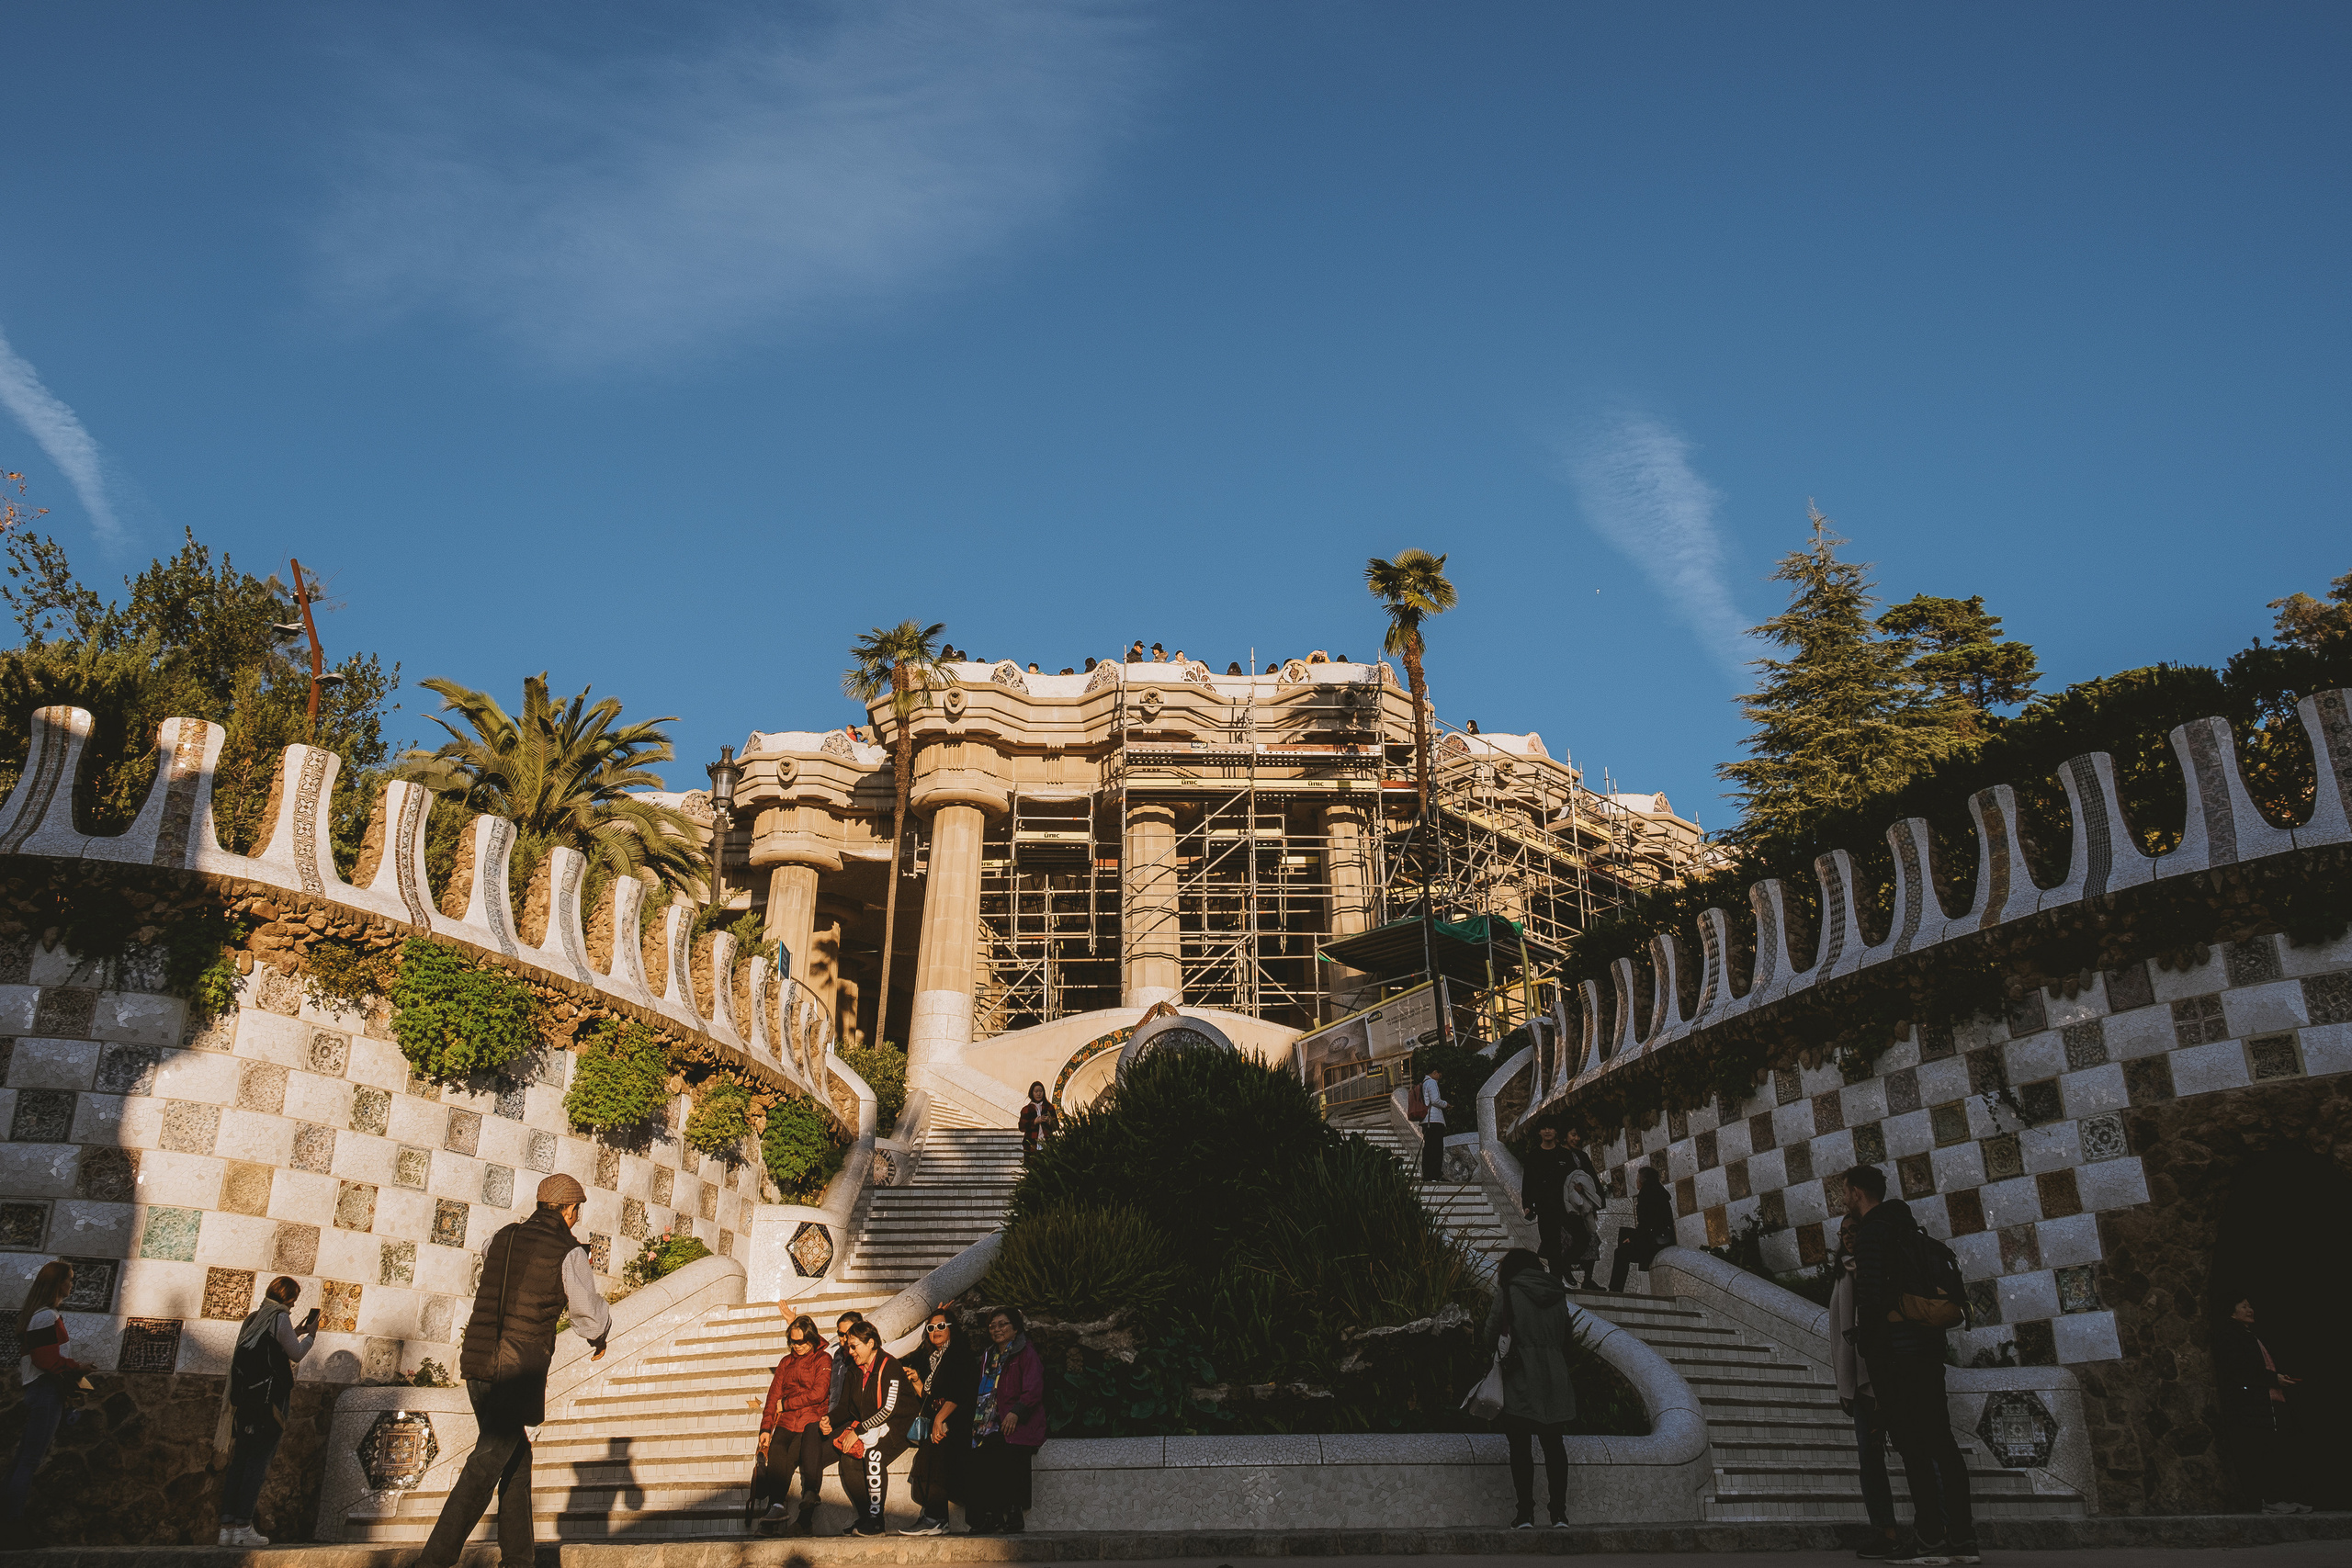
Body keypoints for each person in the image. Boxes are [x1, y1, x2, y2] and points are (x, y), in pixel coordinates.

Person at [417, 1174, 610, 1568]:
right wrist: (600, 1336)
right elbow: (587, 1314)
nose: (577, 1217)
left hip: (478, 1362)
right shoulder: (568, 1251)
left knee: (516, 1464)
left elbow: (490, 1259)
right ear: (570, 1210)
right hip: (517, 1370)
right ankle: (433, 1561)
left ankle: (519, 1560)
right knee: (486, 1464)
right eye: (577, 1211)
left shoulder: (501, 1237)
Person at [1844, 1164, 1976, 1565]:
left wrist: (1869, 1349)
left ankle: (1929, 1538)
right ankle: (1963, 1539)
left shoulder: (1872, 1233)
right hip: (1928, 1352)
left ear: (1857, 1193)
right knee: (1943, 1444)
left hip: (1896, 1357)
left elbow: (1870, 1299)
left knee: (1913, 1448)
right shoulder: (1908, 1227)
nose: (1844, 1198)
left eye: (1845, 1191)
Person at [213, 1274, 318, 1545]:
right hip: (269, 1404)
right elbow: (295, 1354)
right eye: (293, 1299)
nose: (293, 1305)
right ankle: (244, 1526)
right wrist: (311, 1336)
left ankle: (227, 1528)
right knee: (257, 1463)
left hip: (246, 1402)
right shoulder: (279, 1318)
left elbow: (270, 1346)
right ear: (288, 1297)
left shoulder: (255, 1318)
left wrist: (295, 1333)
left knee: (240, 1461)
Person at [1483, 1248, 1577, 1529]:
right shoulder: (1558, 1293)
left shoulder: (1509, 1291)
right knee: (1554, 1445)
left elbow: (1490, 1334)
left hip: (1520, 1376)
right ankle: (1559, 1514)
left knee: (1520, 1446)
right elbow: (1567, 1337)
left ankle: (1525, 1514)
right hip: (1555, 1376)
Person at [1828, 1219, 1899, 1560]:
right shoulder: (1843, 1273)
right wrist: (1845, 1383)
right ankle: (1886, 1531)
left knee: (1916, 1452)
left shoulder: (1874, 1269)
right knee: (1869, 1459)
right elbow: (1840, 1332)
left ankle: (1938, 1528)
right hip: (1858, 1381)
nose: (1848, 1237)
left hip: (1884, 1376)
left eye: (1853, 1230)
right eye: (1843, 1232)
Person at [6, 1260, 90, 1527]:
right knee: (29, 1461)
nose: (72, 1284)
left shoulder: (43, 1315)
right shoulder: (45, 1316)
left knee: (23, 1459)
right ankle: (11, 1524)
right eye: (69, 1279)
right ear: (58, 1283)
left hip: (42, 1390)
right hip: (45, 1391)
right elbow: (45, 1359)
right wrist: (77, 1368)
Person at [2216, 1297, 2311, 1514]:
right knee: (2260, 1452)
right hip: (2250, 1404)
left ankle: (2279, 1499)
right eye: (2244, 1306)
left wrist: (2277, 1378)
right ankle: (2267, 1501)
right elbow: (2240, 1369)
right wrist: (2272, 1379)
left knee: (2275, 1450)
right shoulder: (2231, 1336)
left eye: (2250, 1306)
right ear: (2232, 1312)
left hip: (2266, 1401)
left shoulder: (2248, 1335)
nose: (2250, 1310)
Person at [830, 1322, 918, 1536]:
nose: (850, 1351)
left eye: (854, 1346)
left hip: (900, 1426)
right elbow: (846, 1406)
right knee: (848, 1461)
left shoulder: (890, 1365)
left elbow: (889, 1409)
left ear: (870, 1343)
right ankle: (866, 1518)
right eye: (849, 1347)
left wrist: (858, 1431)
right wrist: (828, 1420)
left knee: (874, 1456)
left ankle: (877, 1522)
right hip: (873, 1427)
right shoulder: (855, 1369)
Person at [965, 1306, 1046, 1534]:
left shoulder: (1025, 1353)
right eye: (993, 1326)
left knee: (1008, 1452)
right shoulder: (988, 1355)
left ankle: (1013, 1513)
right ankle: (990, 1516)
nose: (997, 1329)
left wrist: (1016, 1412)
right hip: (988, 1422)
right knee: (979, 1457)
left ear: (1015, 1328)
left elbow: (1033, 1389)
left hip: (1018, 1421)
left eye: (1003, 1324)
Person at [900, 1307, 978, 1535]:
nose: (936, 1331)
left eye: (941, 1326)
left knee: (936, 1459)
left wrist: (940, 1420)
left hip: (956, 1421)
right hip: (940, 1418)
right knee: (926, 1461)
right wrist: (917, 1381)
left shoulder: (958, 1354)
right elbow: (931, 1396)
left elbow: (959, 1392)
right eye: (931, 1327)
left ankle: (936, 1517)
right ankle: (934, 1516)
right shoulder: (934, 1358)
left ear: (951, 1328)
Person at [755, 1314, 834, 1534]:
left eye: (801, 1341)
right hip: (786, 1421)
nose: (796, 1346)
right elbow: (773, 1397)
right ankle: (776, 1507)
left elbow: (819, 1393)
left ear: (811, 1338)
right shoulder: (785, 1362)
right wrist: (765, 1428)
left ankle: (803, 1517)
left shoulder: (823, 1359)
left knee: (794, 1456)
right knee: (777, 1454)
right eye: (792, 1341)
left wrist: (787, 1403)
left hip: (811, 1419)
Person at [1607, 1166, 1675, 1292]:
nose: (1636, 1181)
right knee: (1624, 1234)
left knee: (1621, 1252)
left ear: (1643, 1181)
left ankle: (1615, 1289)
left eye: (1638, 1178)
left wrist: (1632, 1239)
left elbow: (1647, 1224)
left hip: (1656, 1242)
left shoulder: (1646, 1195)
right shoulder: (1659, 1193)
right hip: (1665, 1238)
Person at [1521, 1125, 1575, 1273]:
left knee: (1574, 1240)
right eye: (1544, 1128)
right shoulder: (1534, 1155)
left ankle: (1565, 1268)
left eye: (1551, 1128)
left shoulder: (1564, 1154)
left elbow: (1574, 1178)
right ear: (1539, 1132)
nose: (1547, 1131)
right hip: (1544, 1207)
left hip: (1565, 1205)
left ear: (1556, 1131)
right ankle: (1556, 1277)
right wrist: (1527, 1204)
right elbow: (1527, 1182)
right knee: (1551, 1243)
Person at [1417, 1060, 1449, 1181]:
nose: (1439, 1078)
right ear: (1435, 1072)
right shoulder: (1431, 1082)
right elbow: (1435, 1100)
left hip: (1426, 1120)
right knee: (1436, 1148)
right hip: (1433, 1120)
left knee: (1429, 1147)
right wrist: (1446, 1104)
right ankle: (1435, 1174)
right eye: (1439, 1075)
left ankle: (1428, 1174)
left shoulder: (1423, 1083)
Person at [1018, 1082, 1058, 1156]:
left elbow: (1056, 1126)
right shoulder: (1026, 1109)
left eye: (1040, 1091)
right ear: (1032, 1093)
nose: (1038, 1094)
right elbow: (1021, 1127)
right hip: (1031, 1144)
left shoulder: (1049, 1107)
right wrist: (1034, 1122)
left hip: (1047, 1143)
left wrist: (1050, 1121)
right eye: (1036, 1091)